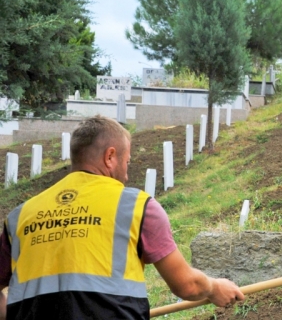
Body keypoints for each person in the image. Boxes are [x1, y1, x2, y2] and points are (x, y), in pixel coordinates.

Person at [0, 115, 244, 319]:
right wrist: (214, 288)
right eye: (127, 162)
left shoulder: (19, 216)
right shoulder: (136, 206)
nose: (126, 175)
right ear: (110, 156)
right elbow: (186, 285)